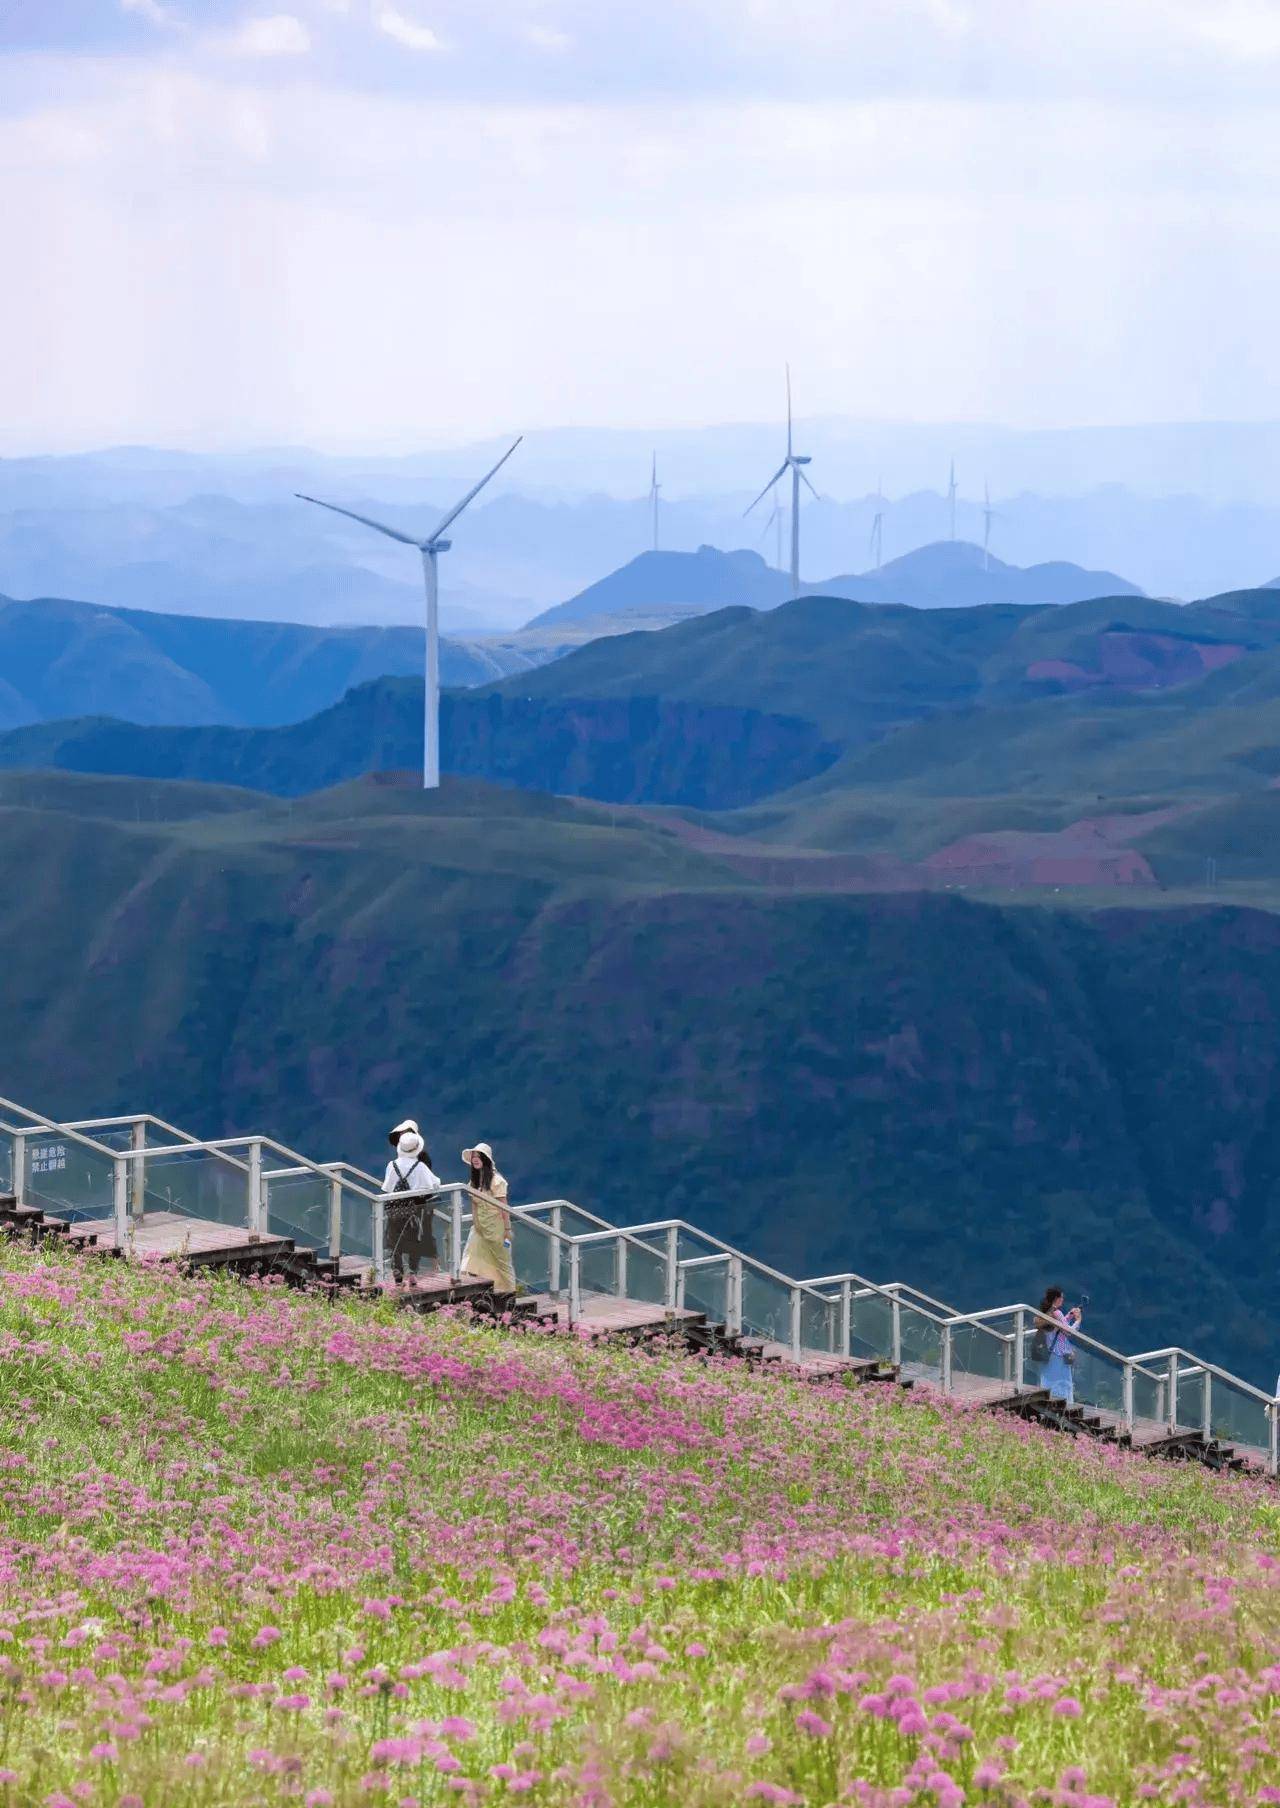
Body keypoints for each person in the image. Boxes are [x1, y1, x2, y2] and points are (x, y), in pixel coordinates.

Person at [380, 1119, 440, 1287]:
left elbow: (387, 1187)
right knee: (414, 1240)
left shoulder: (392, 1165)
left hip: (394, 1209)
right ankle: (413, 1271)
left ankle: (397, 1273)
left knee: (393, 1241)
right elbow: (433, 1185)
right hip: (414, 1209)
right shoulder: (421, 1166)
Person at [459, 1141, 517, 1301]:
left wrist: (507, 1229)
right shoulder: (474, 1182)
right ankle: (481, 1291)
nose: (475, 1160)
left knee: (502, 1260)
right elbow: (474, 1204)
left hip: (496, 1227)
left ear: (486, 1159)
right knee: (472, 1255)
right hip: (480, 1227)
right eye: (473, 1157)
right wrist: (475, 1222)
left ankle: (509, 1294)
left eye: (479, 1157)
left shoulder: (496, 1180)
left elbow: (503, 1207)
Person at [1035, 1286, 1081, 1403]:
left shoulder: (1048, 1311)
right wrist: (1078, 1320)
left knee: (1049, 1381)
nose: (1063, 1300)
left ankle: (1047, 1402)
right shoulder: (1058, 1313)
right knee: (1062, 1382)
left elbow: (1058, 1327)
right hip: (1059, 1354)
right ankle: (1064, 1405)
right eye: (1061, 1297)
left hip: (1048, 1351)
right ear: (1057, 1298)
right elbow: (1068, 1332)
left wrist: (1069, 1316)